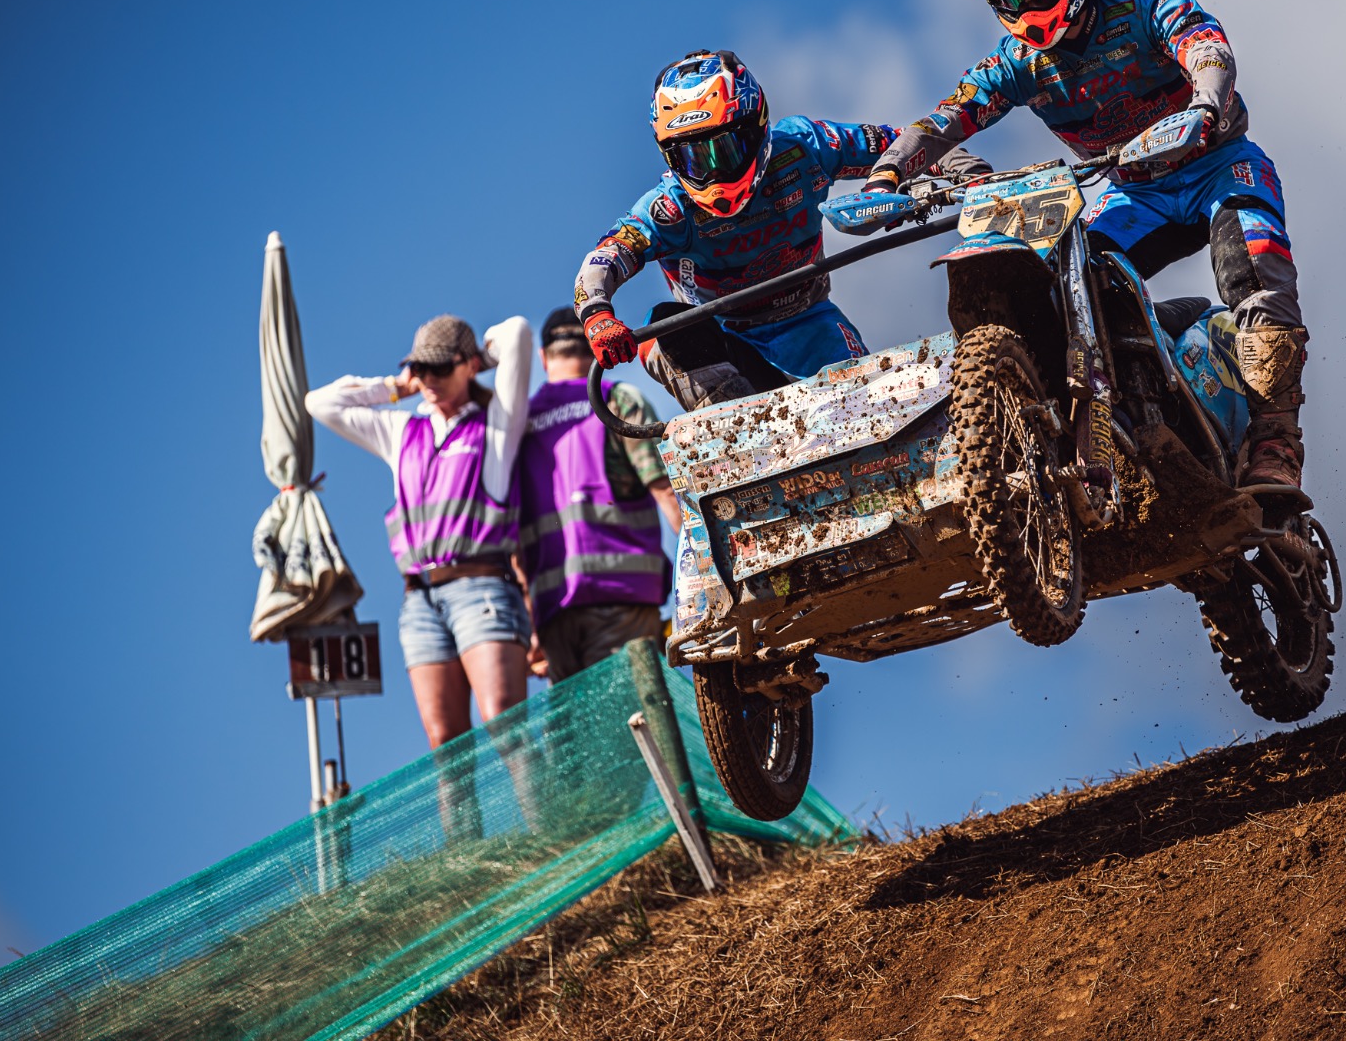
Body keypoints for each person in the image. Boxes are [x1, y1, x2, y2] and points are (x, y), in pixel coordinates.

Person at [864, 0, 1312, 489]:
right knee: (1069, 281)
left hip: (1218, 164)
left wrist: (1207, 100)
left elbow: (1205, 45)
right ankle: (1122, 408)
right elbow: (948, 117)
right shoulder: (1016, 63)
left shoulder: (1144, 4)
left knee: (1253, 263)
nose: (1024, 0)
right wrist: (889, 172)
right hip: (1134, 192)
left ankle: (1276, 442)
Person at [573, 49, 985, 410]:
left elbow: (899, 143)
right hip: (724, 342)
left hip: (810, 323)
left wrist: (969, 173)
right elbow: (604, 257)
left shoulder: (806, 146)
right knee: (662, 327)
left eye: (724, 149)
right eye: (693, 157)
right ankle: (736, 439)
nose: (713, 172)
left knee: (880, 416)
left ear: (756, 127)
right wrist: (597, 316)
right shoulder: (668, 209)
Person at [307, 314, 534, 748]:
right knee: (444, 742)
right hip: (419, 601)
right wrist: (396, 387)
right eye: (420, 367)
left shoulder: (496, 423)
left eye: (440, 367)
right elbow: (320, 403)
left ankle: (543, 801)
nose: (429, 378)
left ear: (468, 365)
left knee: (505, 724)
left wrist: (478, 360)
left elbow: (517, 332)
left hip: (482, 588)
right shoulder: (402, 431)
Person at [516, 307, 684, 683]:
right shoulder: (616, 400)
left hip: (552, 612)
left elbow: (514, 540)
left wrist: (529, 623)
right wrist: (709, 574)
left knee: (583, 720)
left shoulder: (520, 423)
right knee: (634, 712)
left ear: (543, 357)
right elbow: (667, 492)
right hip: (624, 598)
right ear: (593, 348)